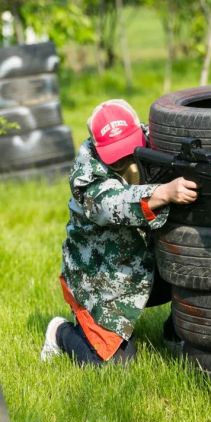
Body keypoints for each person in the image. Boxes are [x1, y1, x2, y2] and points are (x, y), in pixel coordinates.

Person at [41, 99, 198, 365]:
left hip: (153, 263)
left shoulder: (159, 141)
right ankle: (60, 333)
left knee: (203, 261)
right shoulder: (85, 174)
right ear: (97, 147)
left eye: (130, 149)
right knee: (112, 365)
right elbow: (111, 203)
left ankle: (176, 332)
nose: (128, 160)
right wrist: (162, 193)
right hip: (104, 277)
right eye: (118, 155)